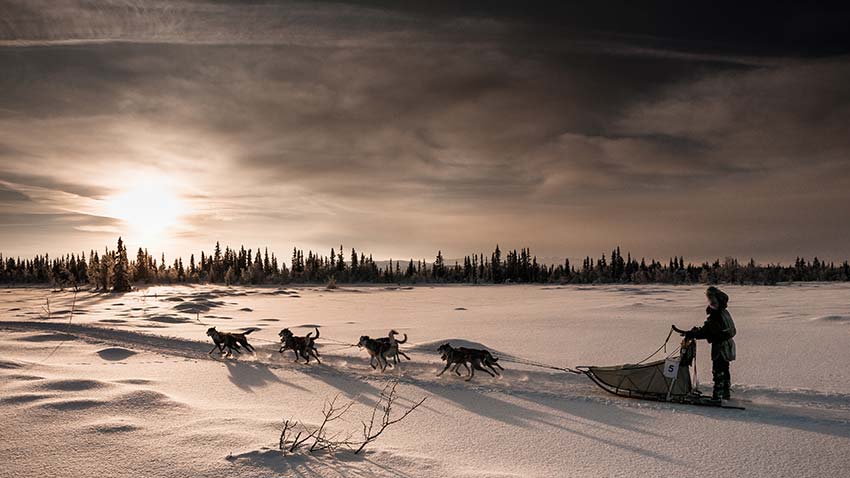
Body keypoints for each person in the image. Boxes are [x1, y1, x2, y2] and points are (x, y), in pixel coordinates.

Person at [682, 286, 737, 401]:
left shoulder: (716, 315)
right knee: (724, 369)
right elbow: (709, 330)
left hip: (721, 347)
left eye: (710, 298)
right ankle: (725, 393)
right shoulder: (723, 312)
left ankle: (718, 395)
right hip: (727, 346)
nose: (710, 301)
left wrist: (692, 334)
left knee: (718, 370)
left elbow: (707, 332)